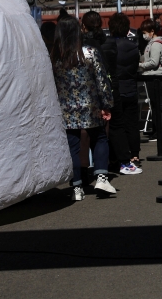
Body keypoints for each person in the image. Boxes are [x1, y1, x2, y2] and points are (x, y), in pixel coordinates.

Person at [51, 17, 117, 201]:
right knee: (100, 138)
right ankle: (101, 176)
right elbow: (102, 80)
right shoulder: (89, 52)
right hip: (91, 104)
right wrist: (107, 103)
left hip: (65, 107)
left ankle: (77, 186)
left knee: (72, 146)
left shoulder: (55, 57)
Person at [101, 13, 143, 176]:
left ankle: (117, 157)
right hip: (131, 87)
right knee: (132, 123)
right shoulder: (133, 46)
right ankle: (134, 154)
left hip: (116, 88)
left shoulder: (108, 46)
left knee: (115, 125)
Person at [138, 19, 162, 142]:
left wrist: (140, 66)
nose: (144, 35)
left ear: (152, 31)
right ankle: (158, 131)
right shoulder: (153, 43)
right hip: (152, 76)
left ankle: (161, 133)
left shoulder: (155, 44)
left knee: (158, 106)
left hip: (155, 76)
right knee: (156, 105)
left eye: (145, 32)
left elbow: (154, 62)